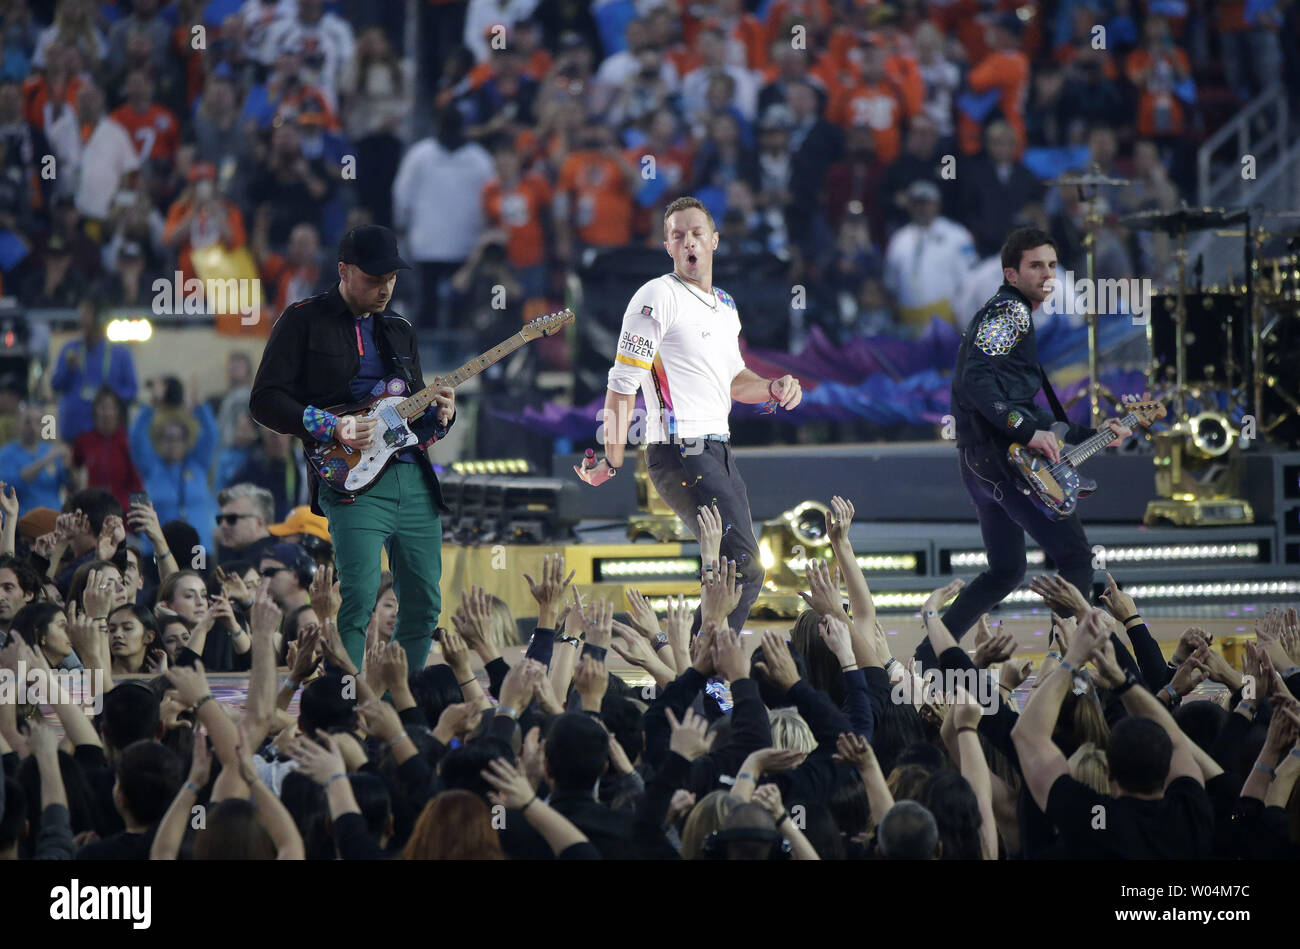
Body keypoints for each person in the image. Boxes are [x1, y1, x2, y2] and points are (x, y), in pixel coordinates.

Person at [577, 195, 802, 633]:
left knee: (734, 568)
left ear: (715, 241)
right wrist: (612, 458)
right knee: (744, 567)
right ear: (667, 247)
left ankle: (696, 673)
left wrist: (772, 388)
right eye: (677, 235)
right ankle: (705, 673)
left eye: (697, 233)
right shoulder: (656, 296)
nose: (688, 242)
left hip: (717, 449)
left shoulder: (726, 306)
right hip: (680, 450)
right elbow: (622, 384)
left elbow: (734, 380)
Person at [249, 224, 456, 671]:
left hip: (413, 475)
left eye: (391, 279)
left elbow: (415, 419)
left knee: (423, 603)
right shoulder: (302, 319)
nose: (384, 288)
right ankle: (349, 698)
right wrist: (331, 426)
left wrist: (442, 415)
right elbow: (264, 400)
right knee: (358, 597)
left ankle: (402, 697)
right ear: (343, 271)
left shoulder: (400, 328)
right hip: (350, 481)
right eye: (373, 278)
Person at [928, 227, 1133, 654]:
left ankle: (930, 655)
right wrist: (1026, 431)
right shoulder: (1010, 314)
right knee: (1076, 558)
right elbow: (976, 381)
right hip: (1002, 460)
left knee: (1005, 571)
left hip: (980, 465)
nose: (1046, 274)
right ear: (1011, 273)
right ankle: (1063, 668)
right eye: (1035, 266)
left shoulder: (1011, 314)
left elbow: (1027, 407)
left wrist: (1093, 435)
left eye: (1052, 265)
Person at [48, 299, 139, 445]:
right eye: (81, 316)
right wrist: (68, 370)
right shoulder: (70, 349)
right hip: (74, 431)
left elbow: (132, 390)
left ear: (100, 318)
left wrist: (109, 399)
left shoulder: (120, 353)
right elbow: (55, 386)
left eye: (85, 315)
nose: (81, 321)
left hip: (108, 433)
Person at [214, 483, 279, 566]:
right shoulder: (230, 556)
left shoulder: (271, 564)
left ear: (259, 523)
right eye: (220, 519)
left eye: (232, 519)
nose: (223, 525)